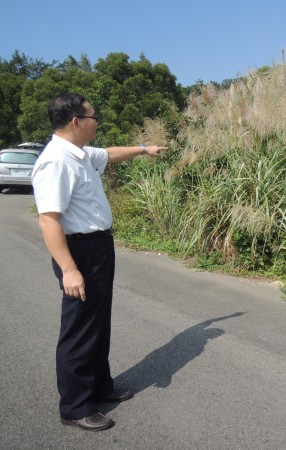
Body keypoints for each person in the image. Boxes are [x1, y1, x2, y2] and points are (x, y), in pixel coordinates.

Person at [32, 93, 167, 431]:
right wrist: (69, 269)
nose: (97, 122)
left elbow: (109, 154)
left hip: (98, 248)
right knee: (79, 330)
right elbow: (48, 220)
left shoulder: (79, 154)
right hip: (78, 253)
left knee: (98, 322)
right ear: (76, 121)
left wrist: (143, 149)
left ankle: (99, 387)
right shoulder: (56, 161)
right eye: (93, 117)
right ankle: (75, 407)